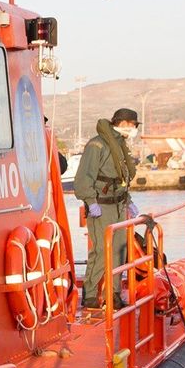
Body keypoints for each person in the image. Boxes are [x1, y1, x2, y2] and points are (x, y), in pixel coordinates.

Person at [73, 107, 141, 310]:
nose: (134, 129)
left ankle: (113, 294)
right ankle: (91, 296)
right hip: (101, 206)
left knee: (119, 250)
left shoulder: (119, 144)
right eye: (133, 125)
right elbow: (84, 177)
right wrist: (90, 201)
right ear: (123, 124)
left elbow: (121, 179)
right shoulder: (97, 145)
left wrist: (128, 201)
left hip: (119, 204)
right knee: (102, 251)